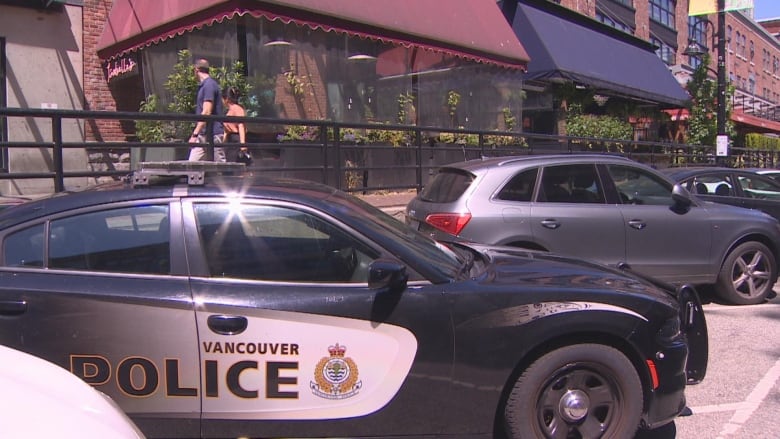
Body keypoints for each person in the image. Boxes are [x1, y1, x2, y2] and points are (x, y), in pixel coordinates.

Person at [188, 58, 226, 162]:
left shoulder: (208, 85)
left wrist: (195, 134)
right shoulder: (207, 85)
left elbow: (206, 112)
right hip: (204, 133)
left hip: (213, 134)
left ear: (196, 70)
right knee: (192, 165)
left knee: (220, 167)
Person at [221, 86, 251, 165]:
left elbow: (241, 126)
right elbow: (226, 130)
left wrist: (242, 143)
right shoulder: (227, 111)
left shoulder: (237, 109)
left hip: (237, 138)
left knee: (235, 163)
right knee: (229, 163)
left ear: (226, 99)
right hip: (230, 139)